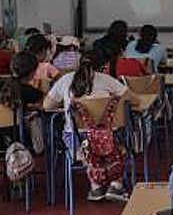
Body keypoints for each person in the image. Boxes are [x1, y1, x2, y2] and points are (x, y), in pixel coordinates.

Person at [43, 49, 132, 202]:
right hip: (110, 142)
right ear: (104, 66)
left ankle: (96, 186)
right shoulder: (108, 80)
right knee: (117, 134)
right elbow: (133, 100)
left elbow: (47, 105)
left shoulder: (66, 79)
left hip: (77, 144)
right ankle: (116, 184)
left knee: (83, 136)